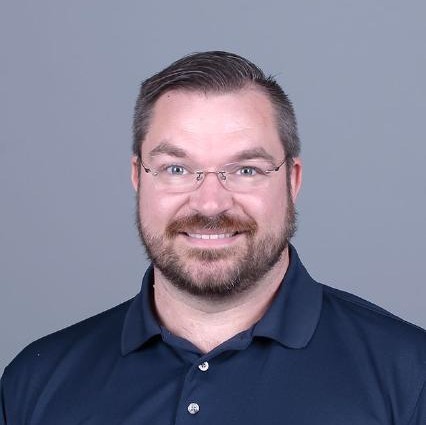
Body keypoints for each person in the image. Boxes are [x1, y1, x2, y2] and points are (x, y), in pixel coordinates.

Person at [1, 51, 424, 424]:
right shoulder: (36, 382)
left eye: (246, 170)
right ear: (138, 178)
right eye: (177, 169)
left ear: (292, 181)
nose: (209, 204)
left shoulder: (410, 376)